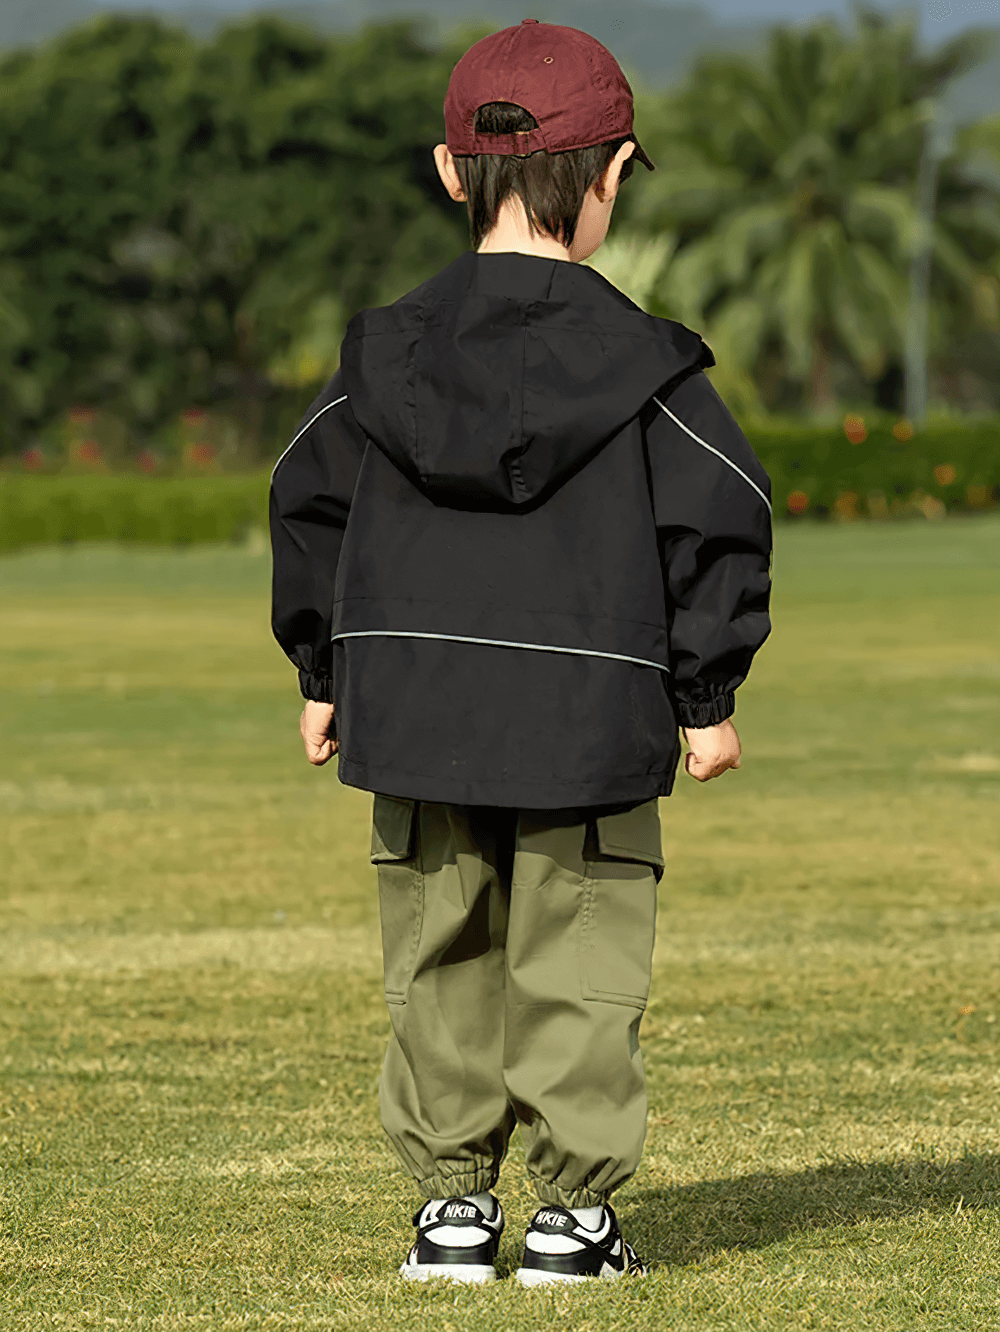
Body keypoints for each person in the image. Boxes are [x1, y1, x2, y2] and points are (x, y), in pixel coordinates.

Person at [270, 19, 771, 1287]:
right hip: (588, 724)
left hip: (419, 712)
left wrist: (324, 673)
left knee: (439, 949)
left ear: (451, 172)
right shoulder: (655, 371)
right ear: (608, 178)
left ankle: (450, 1212)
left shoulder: (378, 355)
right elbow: (721, 515)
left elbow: (306, 501)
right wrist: (705, 697)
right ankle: (570, 1219)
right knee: (580, 958)